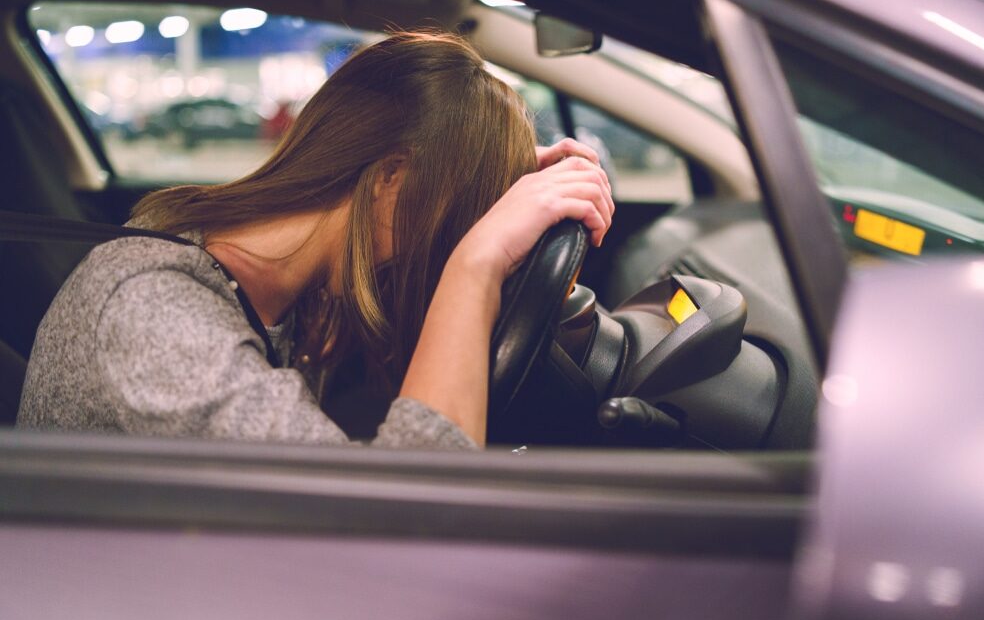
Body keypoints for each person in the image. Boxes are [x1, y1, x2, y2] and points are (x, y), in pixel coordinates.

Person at [17, 31, 613, 449]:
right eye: (459, 210)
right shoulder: (151, 310)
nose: (456, 234)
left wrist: (488, 174)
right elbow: (401, 523)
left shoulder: (283, 286)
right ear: (391, 177)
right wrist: (477, 262)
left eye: (470, 217)